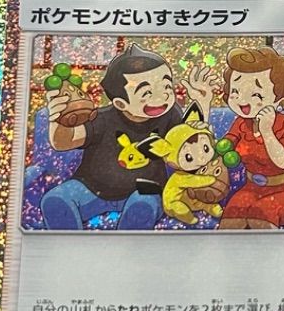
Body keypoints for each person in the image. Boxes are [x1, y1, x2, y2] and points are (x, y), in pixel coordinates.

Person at [41, 48, 216, 230]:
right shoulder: (102, 119)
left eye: (166, 86)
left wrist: (203, 103)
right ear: (120, 103)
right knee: (55, 200)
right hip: (90, 189)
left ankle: (126, 248)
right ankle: (68, 247)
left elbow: (193, 144)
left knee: (143, 207)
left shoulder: (170, 115)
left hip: (146, 189)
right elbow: (64, 142)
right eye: (147, 92)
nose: (163, 95)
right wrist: (58, 119)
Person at [219, 48, 284, 229]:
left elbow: (283, 162)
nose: (243, 100)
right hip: (251, 187)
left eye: (256, 95)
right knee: (233, 212)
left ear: (281, 102)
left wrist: (267, 131)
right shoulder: (240, 123)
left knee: (262, 212)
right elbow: (225, 146)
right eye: (236, 91)